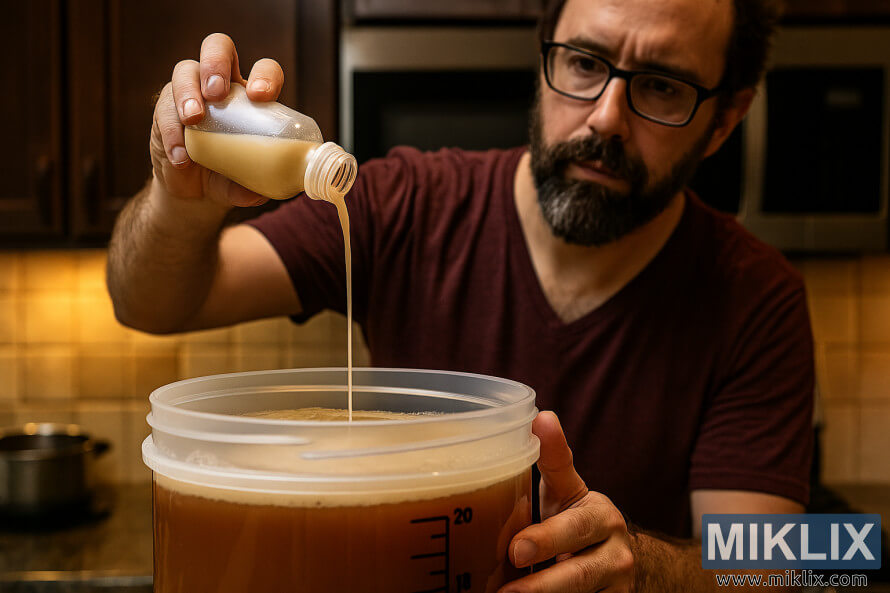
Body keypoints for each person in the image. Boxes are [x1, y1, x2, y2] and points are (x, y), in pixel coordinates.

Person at [107, 0, 814, 590]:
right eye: (585, 64)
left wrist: (645, 568)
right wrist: (180, 198)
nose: (604, 117)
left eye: (662, 86)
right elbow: (149, 300)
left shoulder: (758, 297)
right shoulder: (406, 203)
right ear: (546, 59)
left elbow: (782, 569)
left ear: (726, 119)